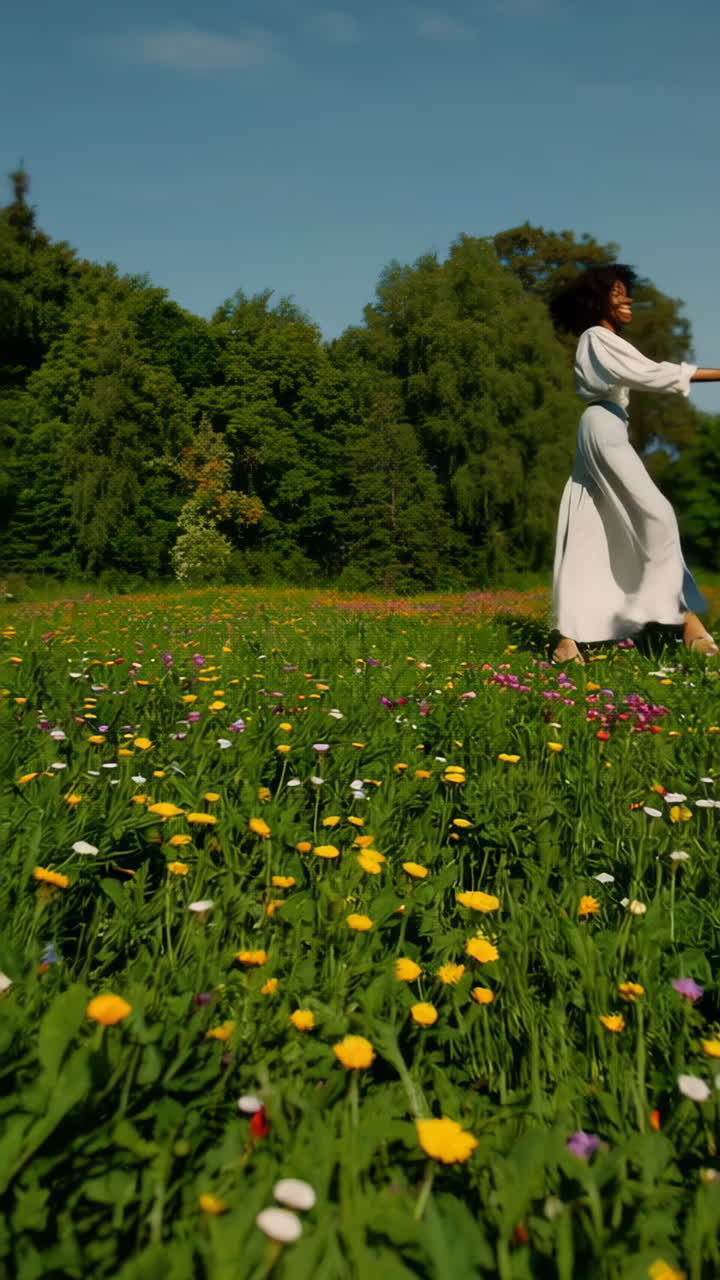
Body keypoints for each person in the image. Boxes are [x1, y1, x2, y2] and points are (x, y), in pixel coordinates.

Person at [549, 265, 720, 663]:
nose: (628, 300)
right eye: (618, 292)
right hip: (603, 426)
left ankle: (567, 640)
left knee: (590, 529)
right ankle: (686, 622)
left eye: (628, 293)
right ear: (597, 301)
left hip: (606, 426)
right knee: (657, 515)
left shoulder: (603, 340)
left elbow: (642, 372)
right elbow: (652, 373)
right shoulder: (596, 336)